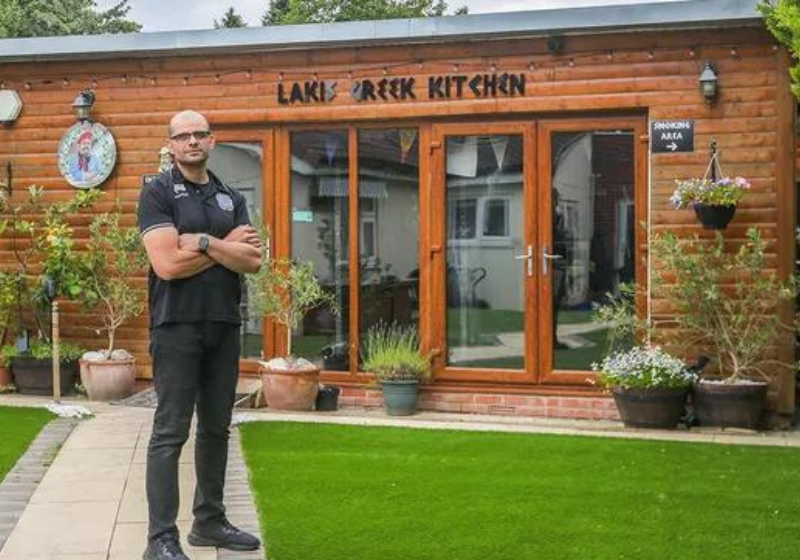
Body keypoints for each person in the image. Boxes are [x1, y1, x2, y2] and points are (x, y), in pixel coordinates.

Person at [138, 110, 263, 560]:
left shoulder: (231, 196)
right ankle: (160, 539)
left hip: (223, 324)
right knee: (170, 431)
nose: (192, 141)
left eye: (200, 134)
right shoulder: (157, 192)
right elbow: (168, 265)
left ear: (212, 141)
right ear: (171, 145)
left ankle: (208, 522)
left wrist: (205, 242)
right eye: (183, 136)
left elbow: (253, 262)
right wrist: (227, 246)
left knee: (216, 428)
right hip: (176, 325)